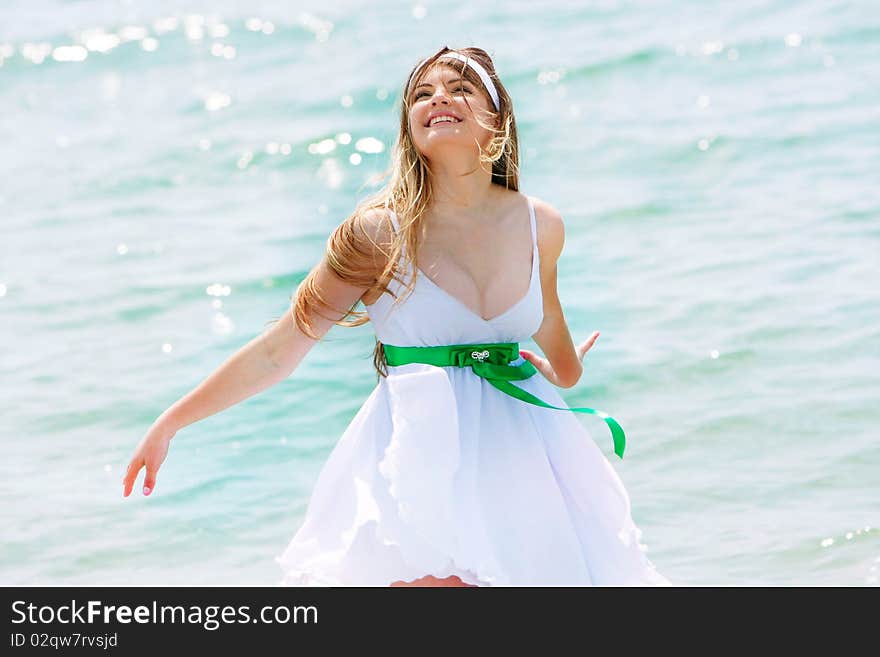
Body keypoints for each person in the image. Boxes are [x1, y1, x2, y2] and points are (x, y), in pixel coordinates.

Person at [123, 45, 670, 587]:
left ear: (497, 120)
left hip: (524, 455)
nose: (439, 99)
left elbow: (559, 348)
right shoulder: (377, 234)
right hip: (419, 451)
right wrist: (172, 422)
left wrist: (549, 371)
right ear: (410, 129)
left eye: (460, 89)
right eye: (422, 94)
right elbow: (277, 351)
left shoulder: (540, 226)